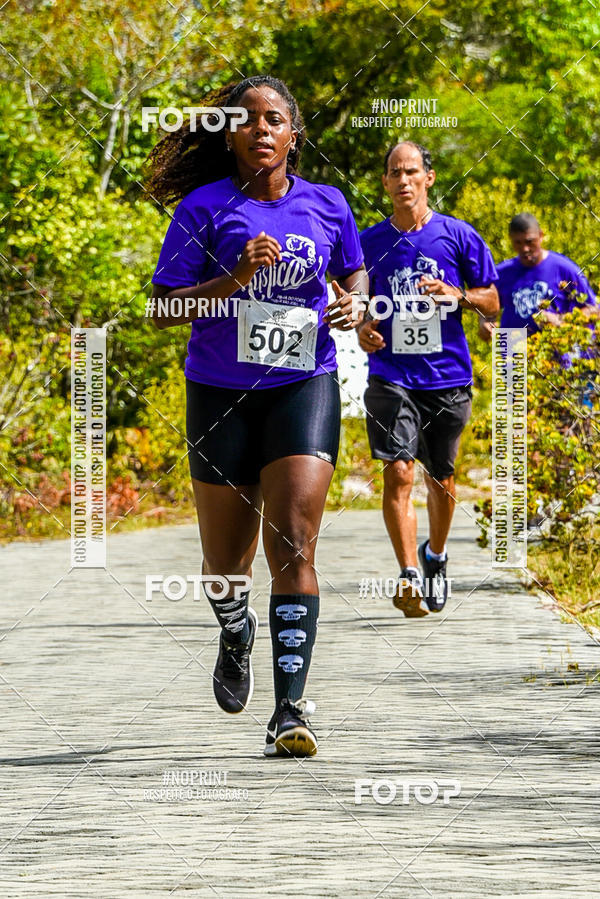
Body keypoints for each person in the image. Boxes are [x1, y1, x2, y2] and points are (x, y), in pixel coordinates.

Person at [147, 75, 367, 757]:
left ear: (293, 134)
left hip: (304, 383)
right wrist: (234, 279)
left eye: (275, 119)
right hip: (220, 393)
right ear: (230, 135)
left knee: (296, 542)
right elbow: (164, 308)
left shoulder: (327, 206)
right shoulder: (203, 208)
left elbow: (354, 272)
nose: (261, 130)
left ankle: (292, 708)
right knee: (222, 566)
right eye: (247, 121)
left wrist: (355, 304)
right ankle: (236, 627)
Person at [357, 142, 499, 617]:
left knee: (442, 478)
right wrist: (363, 328)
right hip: (390, 373)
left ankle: (434, 556)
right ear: (385, 183)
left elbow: (493, 301)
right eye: (394, 172)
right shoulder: (369, 242)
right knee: (399, 471)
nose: (402, 180)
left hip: (446, 375)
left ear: (428, 179)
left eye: (411, 171)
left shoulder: (458, 235)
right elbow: (355, 300)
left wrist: (456, 294)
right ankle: (408, 575)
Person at [479, 213, 597, 340]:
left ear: (541, 236)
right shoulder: (502, 272)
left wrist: (561, 321)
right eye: (518, 242)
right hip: (510, 344)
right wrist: (484, 322)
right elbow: (487, 308)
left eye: (529, 242)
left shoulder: (564, 269)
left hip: (554, 346)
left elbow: (594, 309)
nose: (524, 248)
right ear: (510, 239)